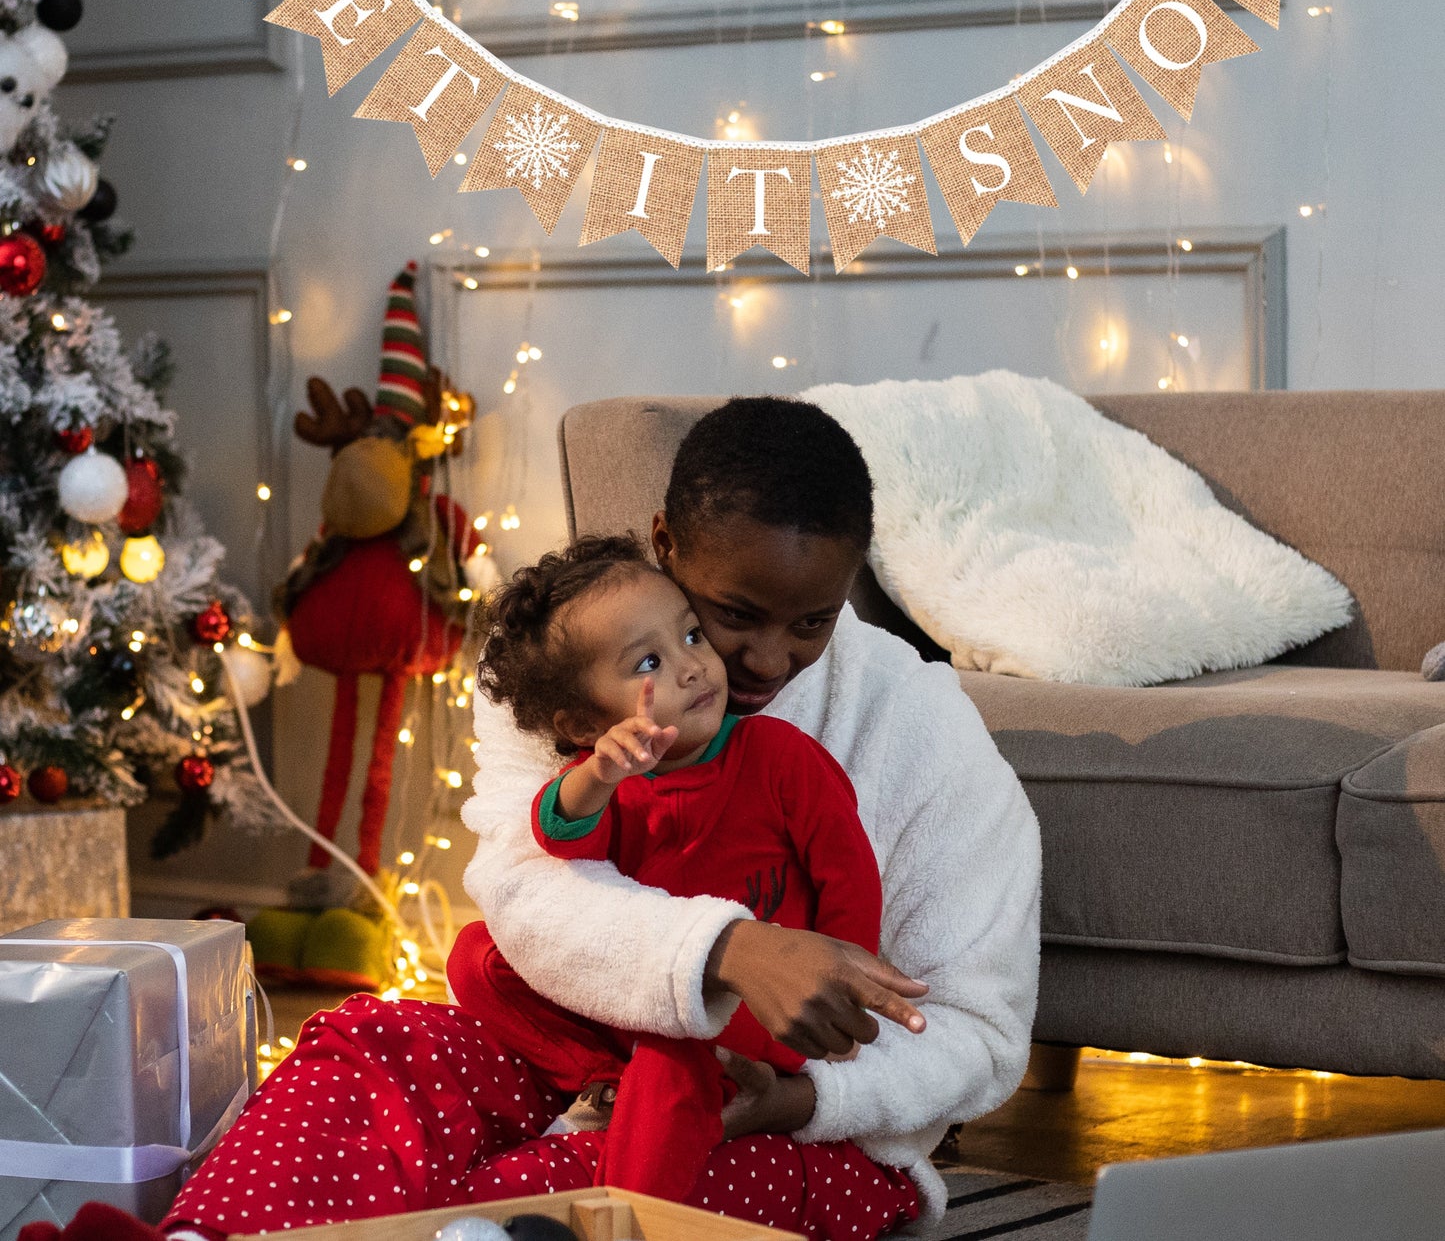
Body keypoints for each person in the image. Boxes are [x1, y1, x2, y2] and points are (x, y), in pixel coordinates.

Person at [24, 395, 1038, 1241]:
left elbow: (980, 1032)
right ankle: (202, 1235)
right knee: (371, 1047)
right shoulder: (567, 655)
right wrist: (730, 946)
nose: (764, 661)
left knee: (591, 1183)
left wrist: (810, 1098)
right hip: (561, 1052)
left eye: (807, 623)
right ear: (664, 544)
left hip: (785, 1126)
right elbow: (525, 886)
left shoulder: (922, 732)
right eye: (731, 615)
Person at [453, 532, 886, 1204]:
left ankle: (634, 1213)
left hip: (754, 1007)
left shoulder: (776, 754)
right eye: (649, 660)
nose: (692, 666)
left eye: (691, 635)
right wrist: (598, 773)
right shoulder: (611, 781)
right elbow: (561, 847)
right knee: (478, 956)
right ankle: (601, 1078)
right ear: (581, 721)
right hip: (637, 999)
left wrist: (839, 982)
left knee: (669, 1059)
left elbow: (848, 871)